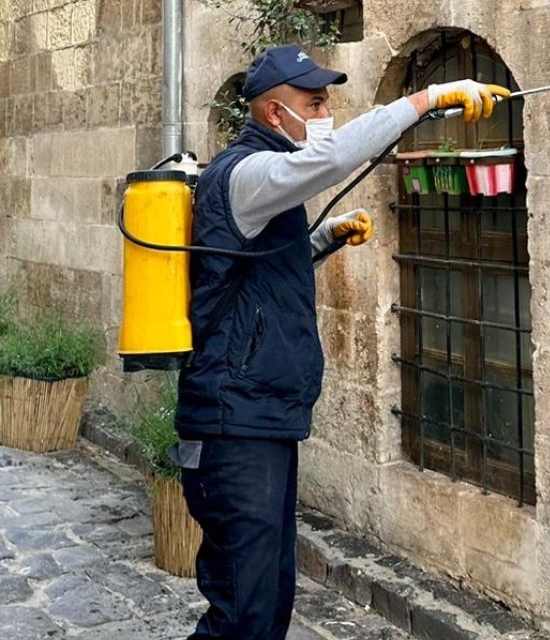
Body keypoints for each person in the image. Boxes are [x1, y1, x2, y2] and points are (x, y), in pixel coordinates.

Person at [171, 43, 509, 640]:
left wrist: (323, 237)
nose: (325, 111)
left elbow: (255, 270)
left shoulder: (267, 181)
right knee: (241, 612)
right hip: (233, 423)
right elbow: (327, 164)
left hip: (260, 418)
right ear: (275, 113)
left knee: (268, 600)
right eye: (315, 101)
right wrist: (426, 99)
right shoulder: (246, 173)